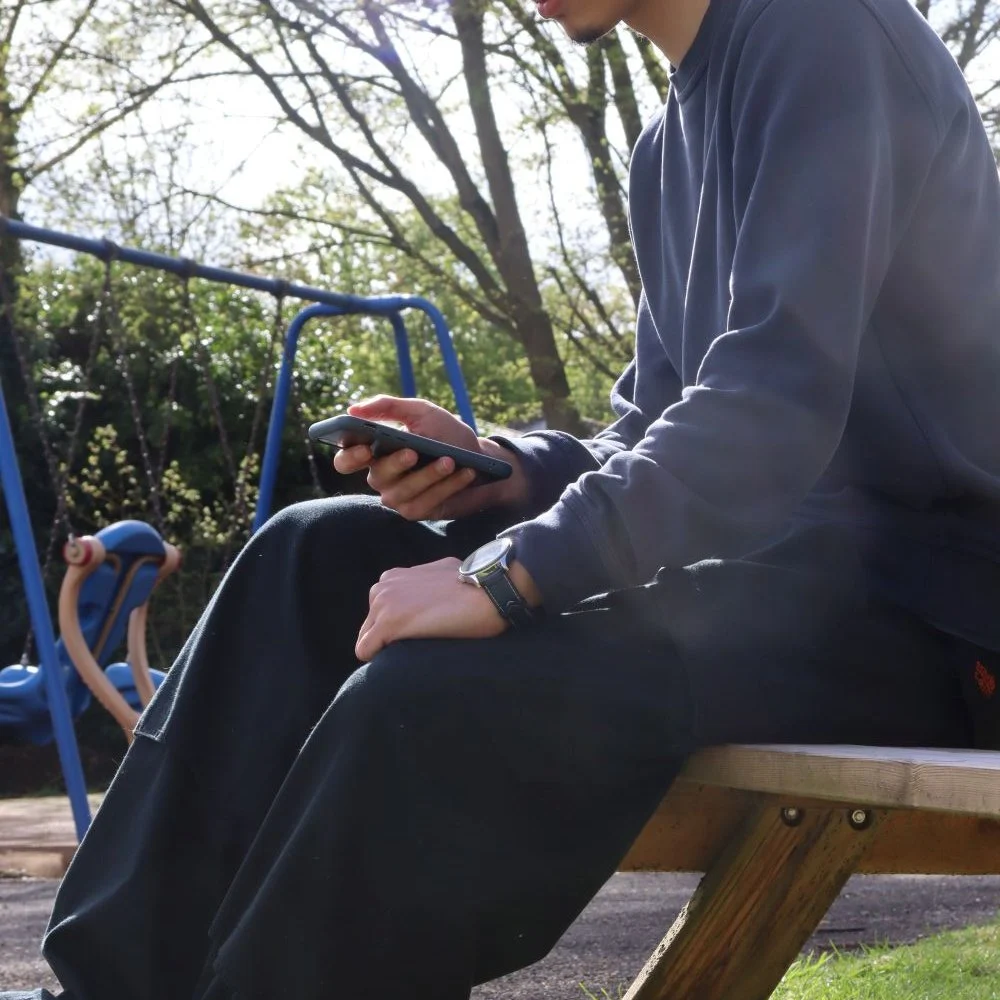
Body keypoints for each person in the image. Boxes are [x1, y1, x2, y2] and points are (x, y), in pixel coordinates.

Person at [7, 0, 1000, 996]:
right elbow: (656, 427)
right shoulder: (664, 150)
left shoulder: (822, 33)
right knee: (307, 557)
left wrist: (512, 572)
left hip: (924, 620)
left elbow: (772, 407)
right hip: (748, 584)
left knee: (431, 700)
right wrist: (503, 469)